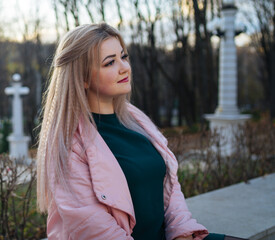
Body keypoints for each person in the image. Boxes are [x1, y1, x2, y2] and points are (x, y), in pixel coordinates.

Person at [36, 23, 246, 240]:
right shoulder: (69, 143)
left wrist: (181, 231)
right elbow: (93, 226)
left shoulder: (137, 120)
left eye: (123, 57)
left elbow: (169, 187)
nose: (124, 67)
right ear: (83, 78)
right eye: (110, 62)